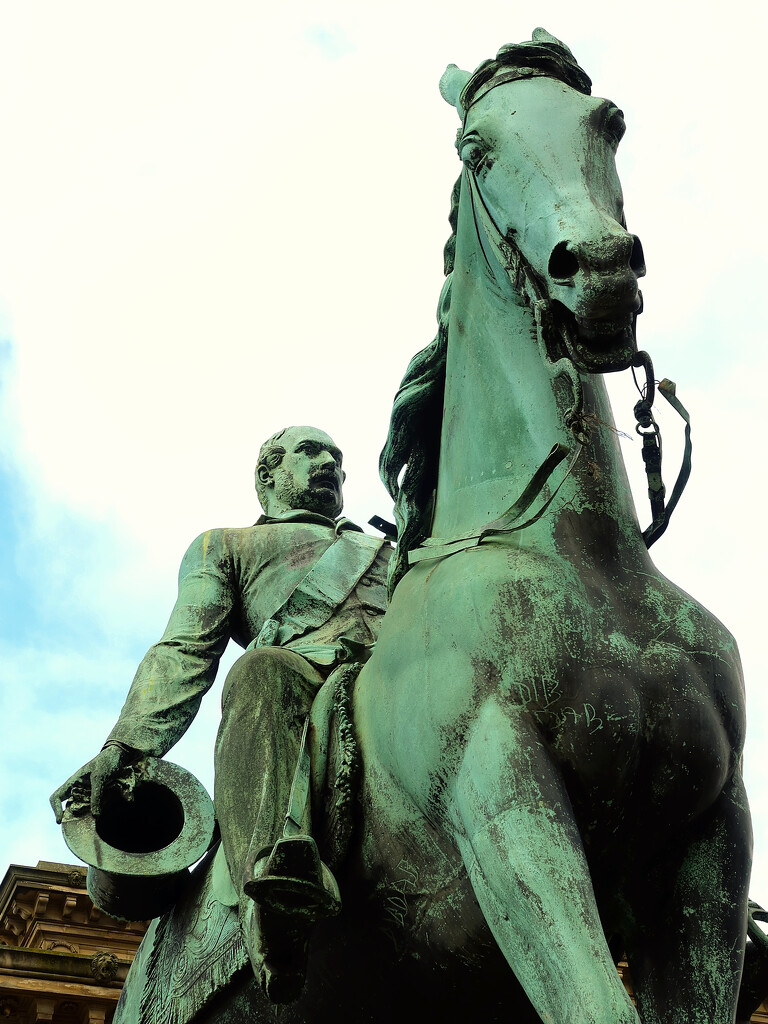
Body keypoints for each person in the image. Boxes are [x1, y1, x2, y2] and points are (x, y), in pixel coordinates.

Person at [50, 425, 391, 1003]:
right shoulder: (224, 546)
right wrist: (128, 746)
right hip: (302, 672)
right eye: (311, 453)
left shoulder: (388, 544)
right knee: (259, 672)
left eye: (338, 457)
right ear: (268, 477)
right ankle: (271, 884)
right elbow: (185, 648)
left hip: (401, 666)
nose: (330, 464)